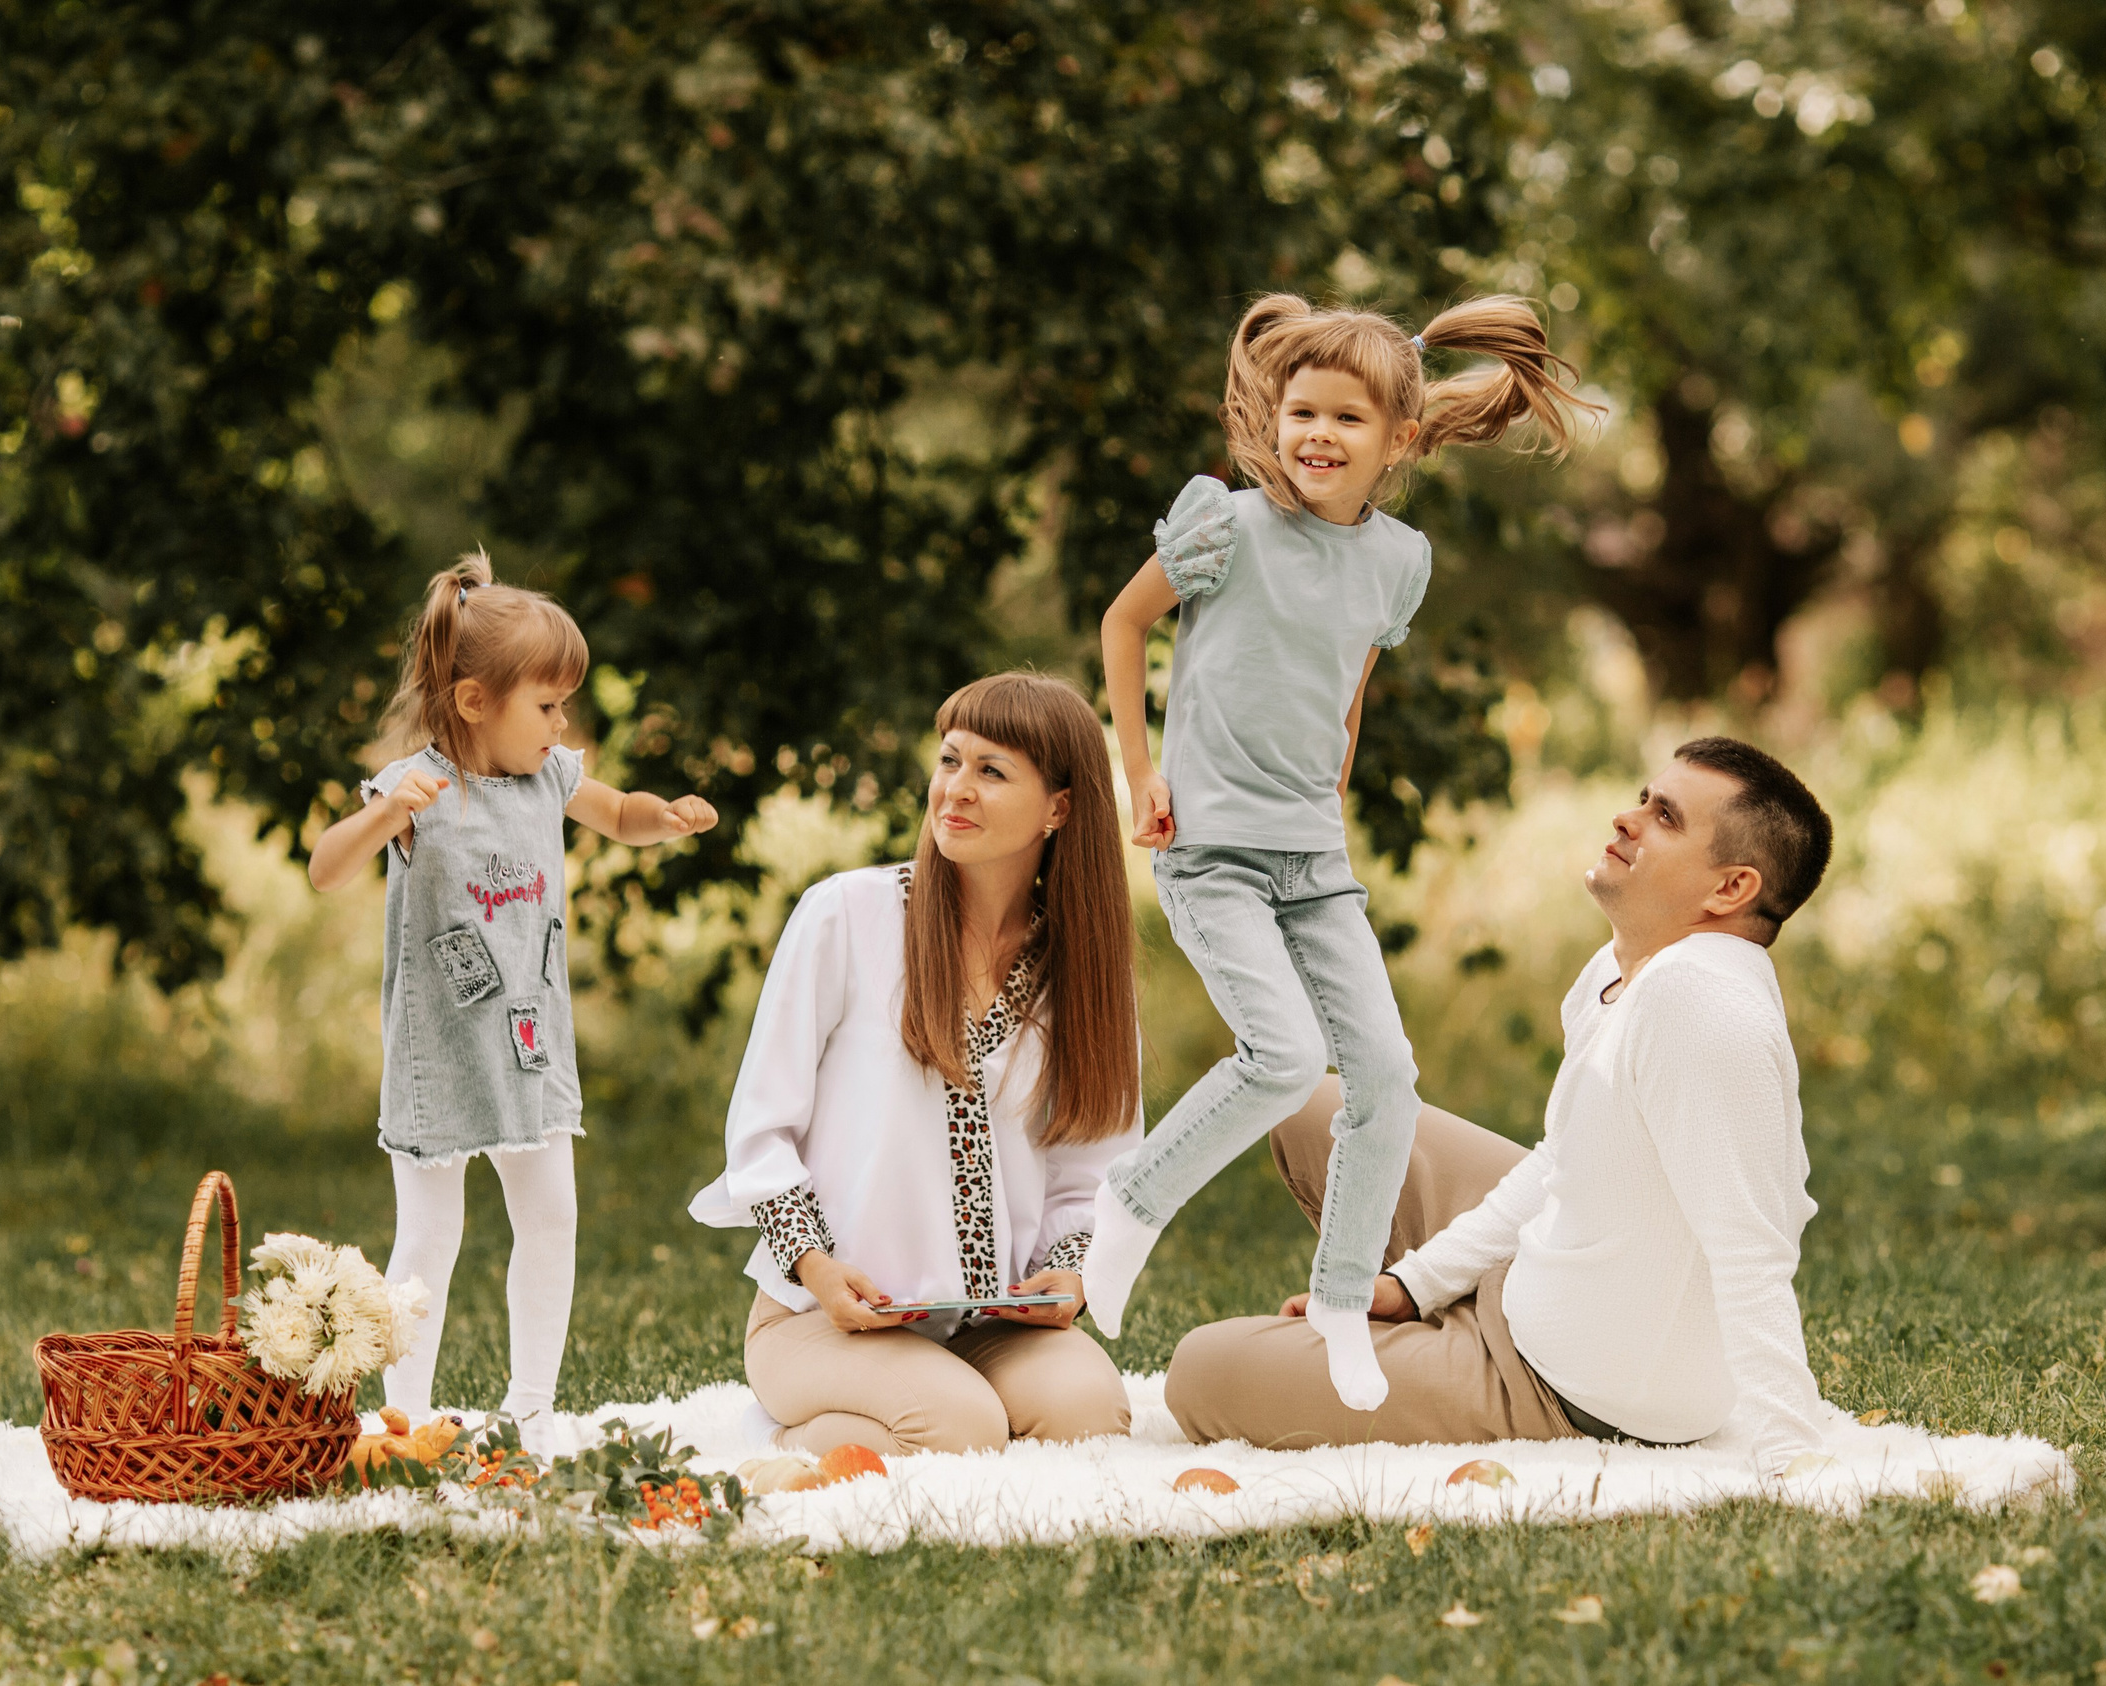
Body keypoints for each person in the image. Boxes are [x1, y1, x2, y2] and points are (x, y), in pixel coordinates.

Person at [1078, 293, 1599, 1411]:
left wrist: (1328, 799)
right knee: (1277, 1058)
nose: (1314, 434)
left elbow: (1345, 698)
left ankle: (1338, 1300)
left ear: (1399, 441)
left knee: (1385, 1078)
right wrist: (1140, 770)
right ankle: (1131, 1204)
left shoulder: (1398, 561)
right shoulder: (1224, 525)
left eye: (1344, 420)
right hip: (1210, 849)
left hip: (1313, 861)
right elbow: (1125, 626)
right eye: (1299, 411)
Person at [1164, 738, 1842, 1481]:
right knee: (1320, 1109)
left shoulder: (1704, 1005)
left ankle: (1444, 1352)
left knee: (1200, 1372)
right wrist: (1416, 1284)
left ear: (1731, 888)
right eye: (1643, 797)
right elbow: (1562, 1157)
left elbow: (1751, 1245)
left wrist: (1791, 1449)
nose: (1627, 818)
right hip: (1545, 1273)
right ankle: (1434, 1319)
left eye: (1666, 818)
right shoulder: (1625, 968)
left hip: (1564, 1387)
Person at [307, 551, 718, 1453]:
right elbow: (325, 869)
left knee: (551, 1218)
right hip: (441, 1052)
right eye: (547, 704)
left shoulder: (550, 776)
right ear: (473, 704)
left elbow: (619, 814)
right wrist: (383, 817)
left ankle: (530, 1402)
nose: (562, 722)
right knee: (430, 1234)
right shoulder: (417, 786)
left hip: (530, 1040)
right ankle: (404, 1417)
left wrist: (669, 816)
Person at [687, 673, 1144, 1457]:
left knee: (1088, 1413)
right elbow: (761, 1130)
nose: (956, 790)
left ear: (1059, 809)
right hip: (824, 1320)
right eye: (949, 761)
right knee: (960, 1429)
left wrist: (1072, 1271)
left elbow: (1095, 1166)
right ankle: (780, 1430)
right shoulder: (846, 915)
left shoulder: (1081, 971)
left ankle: (928, 1408)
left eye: (991, 772)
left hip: (991, 1325)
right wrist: (817, 1268)